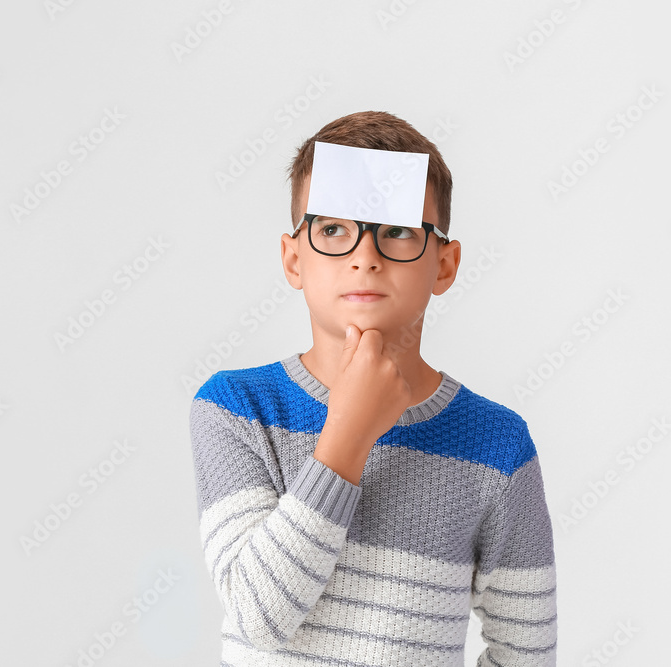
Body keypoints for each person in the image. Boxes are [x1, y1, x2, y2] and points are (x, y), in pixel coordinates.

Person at [189, 110, 557, 666]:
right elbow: (258, 616)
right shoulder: (237, 410)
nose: (366, 255)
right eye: (333, 228)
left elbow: (526, 653)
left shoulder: (499, 446)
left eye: (398, 232)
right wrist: (350, 432)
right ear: (293, 258)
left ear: (445, 264)